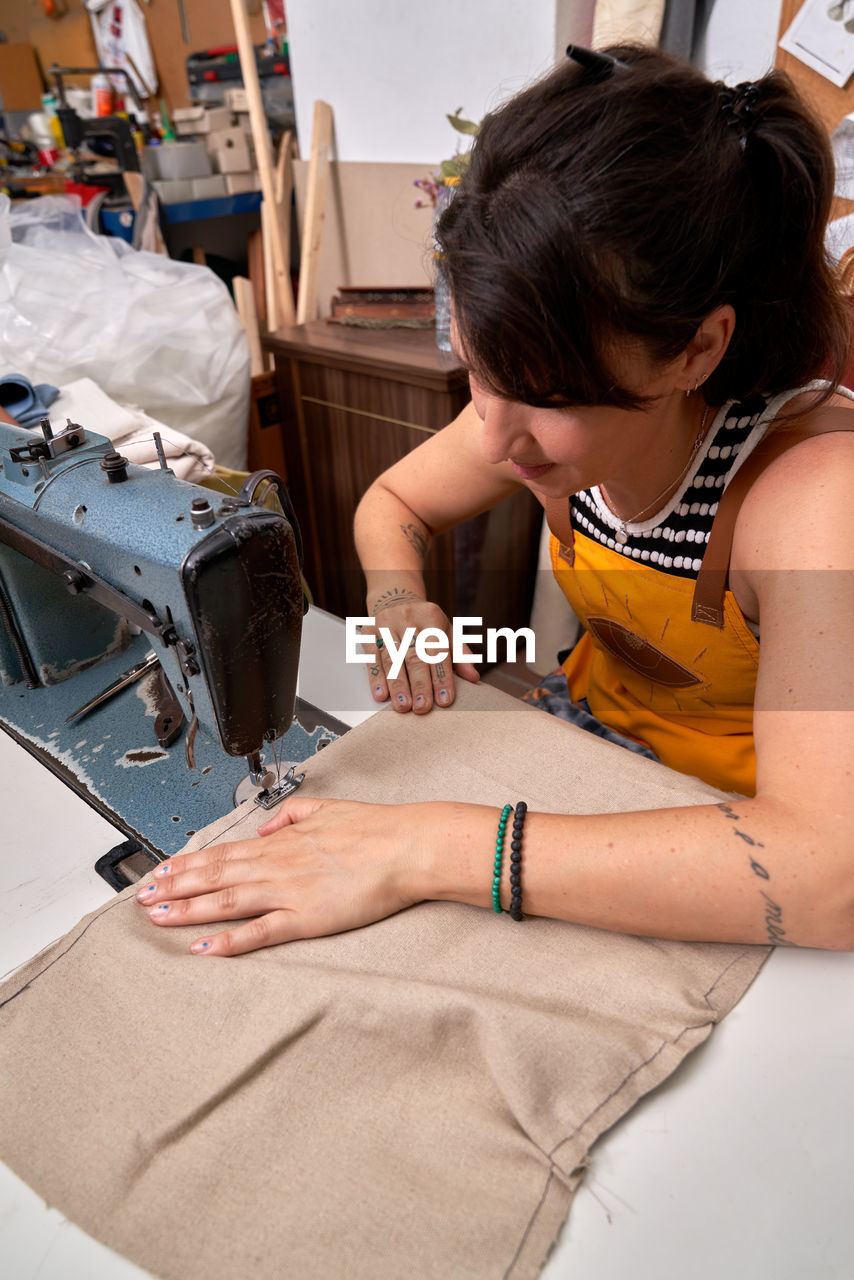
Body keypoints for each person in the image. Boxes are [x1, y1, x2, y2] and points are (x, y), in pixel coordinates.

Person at [137, 44, 854, 954]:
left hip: (746, 830)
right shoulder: (524, 419)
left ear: (697, 351)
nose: (496, 439)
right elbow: (392, 501)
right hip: (596, 753)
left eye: (547, 402)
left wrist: (425, 847)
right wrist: (400, 603)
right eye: (478, 372)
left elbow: (828, 874)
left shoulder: (811, 496)